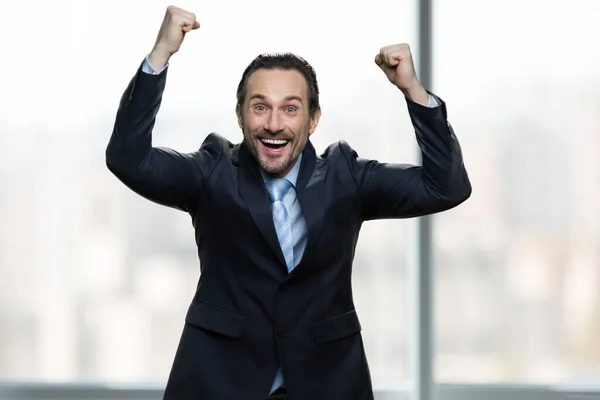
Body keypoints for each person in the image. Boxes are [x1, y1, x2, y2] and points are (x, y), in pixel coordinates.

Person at [106, 5, 471, 400]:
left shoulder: (345, 176)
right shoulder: (211, 172)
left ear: (313, 119)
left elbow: (446, 186)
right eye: (260, 107)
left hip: (326, 383)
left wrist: (413, 91)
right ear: (241, 116)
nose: (275, 124)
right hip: (219, 383)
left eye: (290, 109)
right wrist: (160, 55)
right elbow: (128, 159)